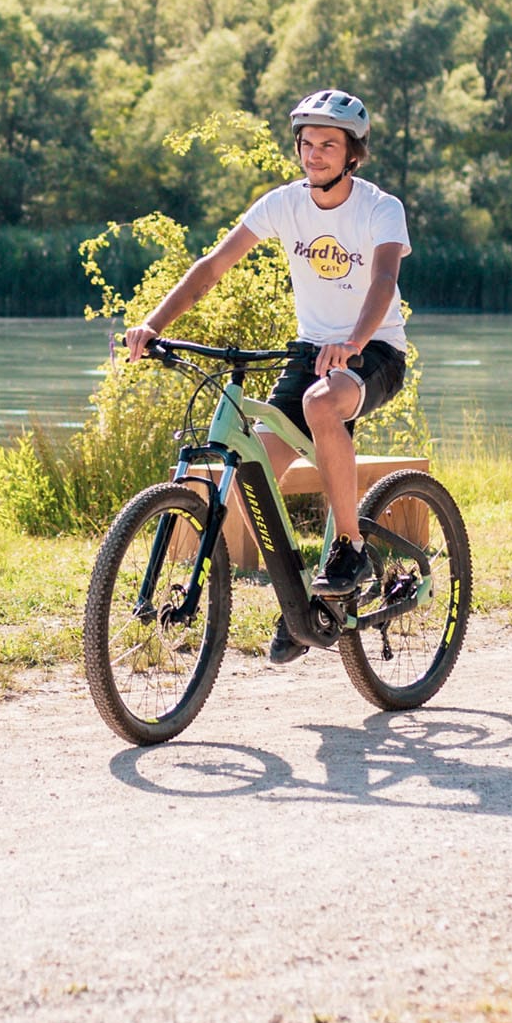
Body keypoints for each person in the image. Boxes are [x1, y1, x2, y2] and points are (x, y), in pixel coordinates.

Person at [121, 89, 410, 664]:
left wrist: (353, 342)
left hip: (373, 349)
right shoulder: (283, 204)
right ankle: (301, 601)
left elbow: (382, 281)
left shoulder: (380, 208)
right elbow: (212, 267)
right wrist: (152, 324)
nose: (315, 154)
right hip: (308, 353)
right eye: (307, 143)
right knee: (254, 474)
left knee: (323, 405)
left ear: (353, 153)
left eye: (329, 145)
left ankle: (350, 550)